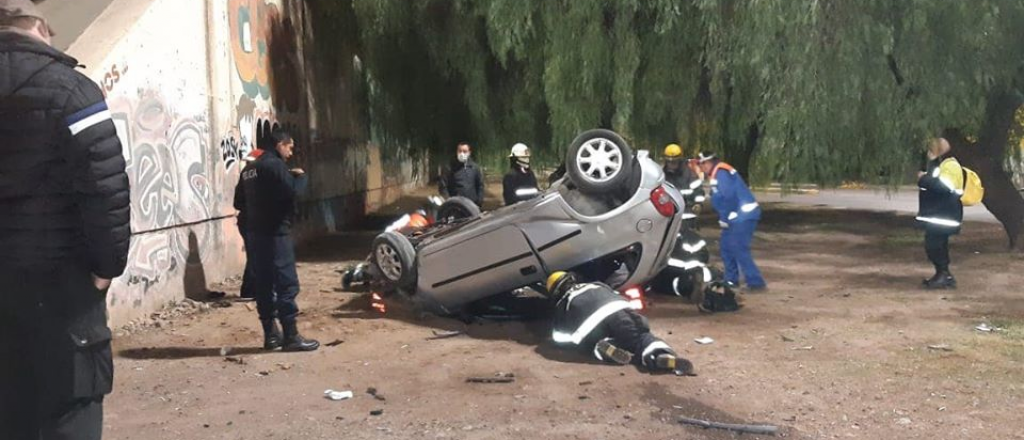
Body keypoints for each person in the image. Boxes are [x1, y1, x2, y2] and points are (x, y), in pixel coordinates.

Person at [0, 1, 131, 438]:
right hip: (62, 294)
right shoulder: (73, 91)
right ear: (37, 25)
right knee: (69, 411)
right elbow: (104, 187)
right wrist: (105, 268)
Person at [236, 130, 319, 352]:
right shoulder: (275, 165)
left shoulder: (249, 169)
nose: (290, 153)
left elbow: (238, 201)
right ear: (279, 144)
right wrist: (300, 177)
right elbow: (292, 193)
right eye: (289, 147)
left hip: (255, 233)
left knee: (263, 284)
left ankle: (271, 336)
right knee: (286, 283)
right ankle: (291, 336)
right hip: (276, 233)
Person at [546, 272, 694, 375]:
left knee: (588, 342)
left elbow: (559, 337)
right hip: (621, 310)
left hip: (595, 328)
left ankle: (603, 347)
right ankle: (660, 354)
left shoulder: (562, 303)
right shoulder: (595, 285)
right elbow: (614, 294)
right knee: (641, 337)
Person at [697, 151, 767, 291]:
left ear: (708, 162)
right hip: (736, 216)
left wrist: (724, 217)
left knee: (738, 247)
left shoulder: (722, 173)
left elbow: (728, 196)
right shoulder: (717, 173)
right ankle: (731, 280)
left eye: (702, 164)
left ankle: (755, 282)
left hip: (743, 216)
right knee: (726, 247)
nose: (701, 167)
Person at [916, 138, 964, 289]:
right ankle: (943, 274)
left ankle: (944, 275)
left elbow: (943, 187)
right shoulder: (939, 165)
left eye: (931, 149)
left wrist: (923, 179)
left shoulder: (950, 166)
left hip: (944, 216)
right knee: (935, 246)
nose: (928, 153)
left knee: (934, 246)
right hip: (937, 215)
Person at [234, 149, 264, 300]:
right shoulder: (261, 174)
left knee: (254, 254)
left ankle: (250, 290)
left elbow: (237, 202)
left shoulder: (244, 174)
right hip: (255, 220)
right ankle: (250, 290)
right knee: (257, 255)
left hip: (245, 220)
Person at [662, 144, 706, 229]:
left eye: (674, 162)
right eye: (668, 161)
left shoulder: (690, 174)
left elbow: (699, 191)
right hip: (668, 217)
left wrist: (698, 204)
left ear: (679, 160)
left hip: (687, 215)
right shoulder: (662, 175)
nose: (671, 164)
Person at [439, 142, 485, 207]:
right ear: (456, 152)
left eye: (465, 151)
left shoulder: (475, 168)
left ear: (469, 153)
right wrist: (448, 201)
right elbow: (443, 187)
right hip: (454, 205)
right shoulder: (449, 168)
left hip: (472, 205)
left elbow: (480, 186)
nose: (462, 153)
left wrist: (479, 202)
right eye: (460, 151)